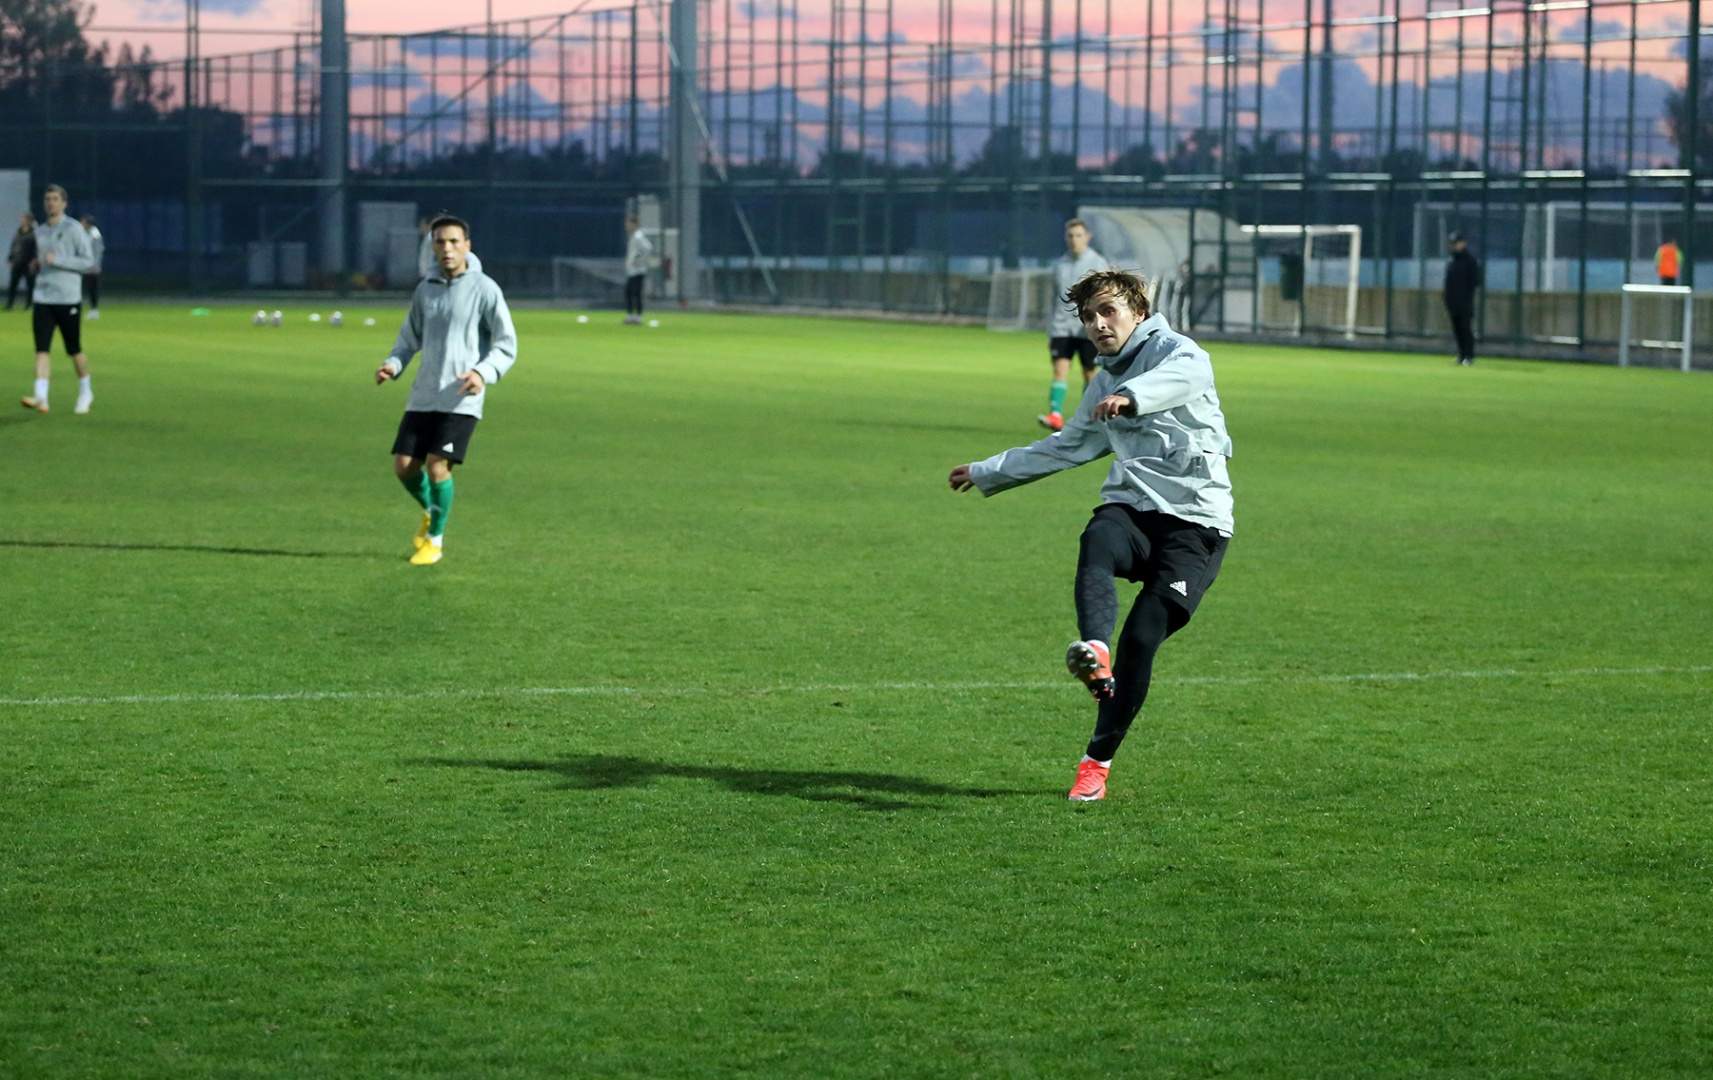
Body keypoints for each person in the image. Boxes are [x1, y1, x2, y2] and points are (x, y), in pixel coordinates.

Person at [948, 268, 1233, 802]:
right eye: (1088, 316)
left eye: (1108, 311)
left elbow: (1187, 377)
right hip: (1135, 508)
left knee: (1142, 640)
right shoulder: (1103, 381)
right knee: (1100, 536)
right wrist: (987, 471)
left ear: (1138, 313)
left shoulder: (1179, 351)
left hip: (1197, 521)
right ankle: (1095, 649)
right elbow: (1067, 446)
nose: (1098, 324)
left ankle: (1096, 763)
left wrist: (1133, 397)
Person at [375, 214, 518, 566]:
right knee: (404, 467)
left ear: (467, 246)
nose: (447, 248)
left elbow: (506, 344)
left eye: (454, 241)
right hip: (424, 395)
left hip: (461, 398)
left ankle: (434, 542)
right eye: (440, 242)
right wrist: (393, 365)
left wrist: (483, 373)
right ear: (433, 248)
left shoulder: (485, 289)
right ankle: (431, 511)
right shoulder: (425, 290)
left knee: (438, 466)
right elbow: (408, 339)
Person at [21, 185, 96, 414]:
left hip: (67, 298)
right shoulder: (41, 231)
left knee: (74, 349)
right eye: (47, 199)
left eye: (55, 199)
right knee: (41, 349)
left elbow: (88, 261)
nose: (50, 202)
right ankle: (41, 397)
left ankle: (86, 391)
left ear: (64, 203)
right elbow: (44, 261)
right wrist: (37, 265)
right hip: (43, 297)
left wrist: (59, 261)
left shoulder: (73, 228)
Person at [1039, 218, 1112, 431]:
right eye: (1070, 236)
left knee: (1089, 373)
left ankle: (1088, 417)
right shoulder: (1061, 264)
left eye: (1078, 235)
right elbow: (1055, 297)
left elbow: (1105, 296)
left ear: (1087, 237)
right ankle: (1055, 415)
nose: (1074, 240)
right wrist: (1051, 327)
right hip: (1062, 326)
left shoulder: (1098, 263)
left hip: (1086, 327)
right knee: (1059, 370)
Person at [1443, 231, 1482, 367]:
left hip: (1465, 302)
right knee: (1457, 329)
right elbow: (1448, 283)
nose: (1454, 246)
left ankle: (1469, 356)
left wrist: (1466, 297)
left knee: (1466, 329)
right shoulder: (1452, 261)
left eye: (1456, 243)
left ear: (1463, 243)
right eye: (1452, 244)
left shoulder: (1470, 261)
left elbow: (1475, 281)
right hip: (1452, 303)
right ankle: (1461, 355)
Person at [623, 215, 653, 325]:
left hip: (638, 271)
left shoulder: (638, 236)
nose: (627, 226)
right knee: (629, 293)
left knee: (636, 294)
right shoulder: (634, 236)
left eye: (629, 223)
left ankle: (638, 317)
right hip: (632, 270)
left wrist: (638, 259)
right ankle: (631, 316)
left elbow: (647, 248)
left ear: (635, 224)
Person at [6, 212, 35, 311]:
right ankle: (9, 304)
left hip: (28, 263)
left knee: (30, 285)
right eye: (22, 219)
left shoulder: (33, 234)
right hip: (17, 262)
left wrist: (33, 261)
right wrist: (10, 258)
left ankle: (29, 304)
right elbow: (14, 247)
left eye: (24, 219)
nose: (22, 221)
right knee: (13, 285)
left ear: (30, 221)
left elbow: (35, 249)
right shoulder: (18, 233)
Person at [80, 214, 103, 319]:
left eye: (83, 222)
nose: (81, 224)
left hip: (91, 268)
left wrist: (95, 265)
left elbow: (98, 251)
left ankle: (94, 310)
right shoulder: (83, 233)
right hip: (83, 266)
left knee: (92, 289)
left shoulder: (95, 234)